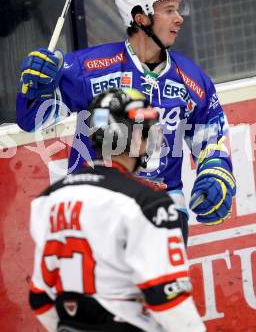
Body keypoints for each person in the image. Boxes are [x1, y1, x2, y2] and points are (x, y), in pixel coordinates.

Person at [17, 0, 236, 227]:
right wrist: (35, 87)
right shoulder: (89, 68)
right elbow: (31, 120)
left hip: (162, 211)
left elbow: (212, 141)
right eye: (168, 10)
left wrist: (216, 173)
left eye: (178, 9)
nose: (179, 19)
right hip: (94, 208)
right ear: (140, 17)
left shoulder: (193, 80)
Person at [28, 88, 205, 332]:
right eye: (146, 130)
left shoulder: (47, 200)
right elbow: (170, 299)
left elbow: (40, 298)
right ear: (133, 138)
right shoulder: (148, 203)